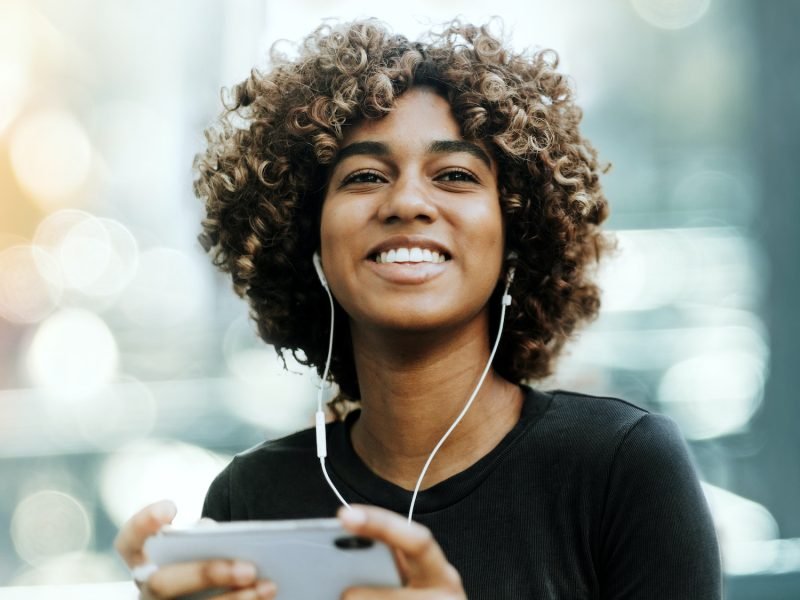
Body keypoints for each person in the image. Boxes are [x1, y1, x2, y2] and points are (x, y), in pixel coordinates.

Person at [115, 19, 722, 599]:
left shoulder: (622, 467)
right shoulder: (250, 498)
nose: (407, 201)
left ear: (517, 231)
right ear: (307, 236)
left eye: (455, 174)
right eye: (364, 177)